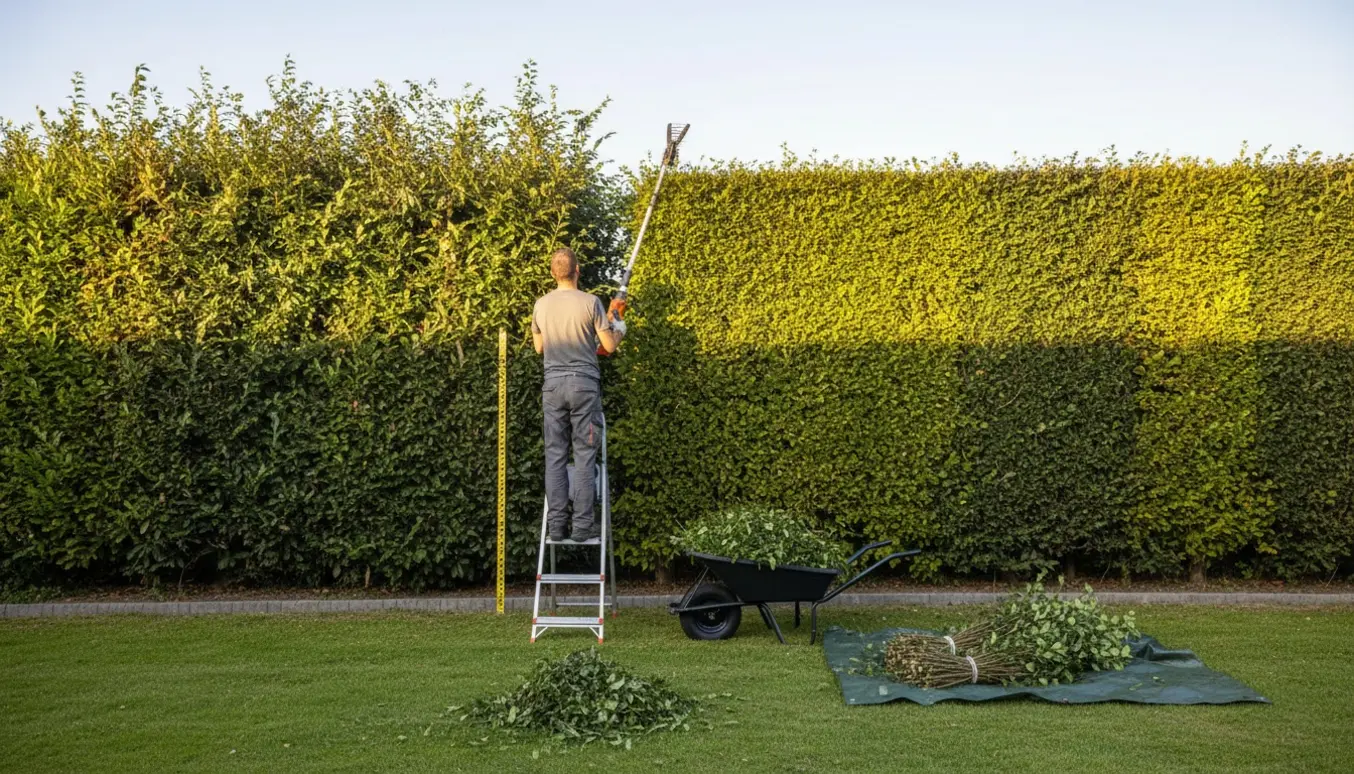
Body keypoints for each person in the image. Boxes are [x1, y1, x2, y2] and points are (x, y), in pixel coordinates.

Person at [531, 247, 626, 542]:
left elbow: (539, 347)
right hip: (584, 386)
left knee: (555, 455)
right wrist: (619, 327)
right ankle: (583, 528)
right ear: (578, 270)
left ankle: (557, 527)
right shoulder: (591, 302)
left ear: (552, 273)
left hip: (553, 387)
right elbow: (609, 346)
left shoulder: (541, 305)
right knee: (585, 455)